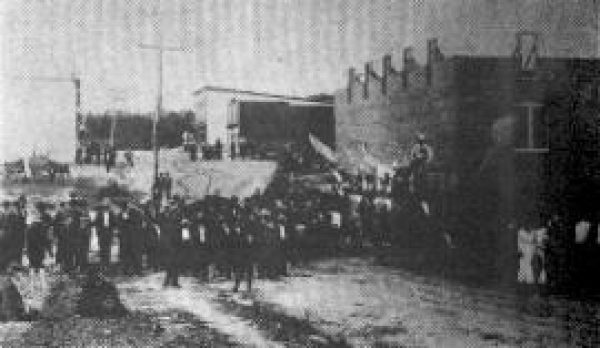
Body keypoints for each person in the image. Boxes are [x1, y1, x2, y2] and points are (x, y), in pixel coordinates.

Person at [160, 201, 183, 287]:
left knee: (175, 262)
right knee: (171, 262)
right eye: (172, 205)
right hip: (169, 242)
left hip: (176, 241)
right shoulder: (166, 215)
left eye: (175, 205)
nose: (174, 206)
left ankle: (172, 281)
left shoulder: (178, 214)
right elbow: (166, 227)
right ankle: (170, 281)